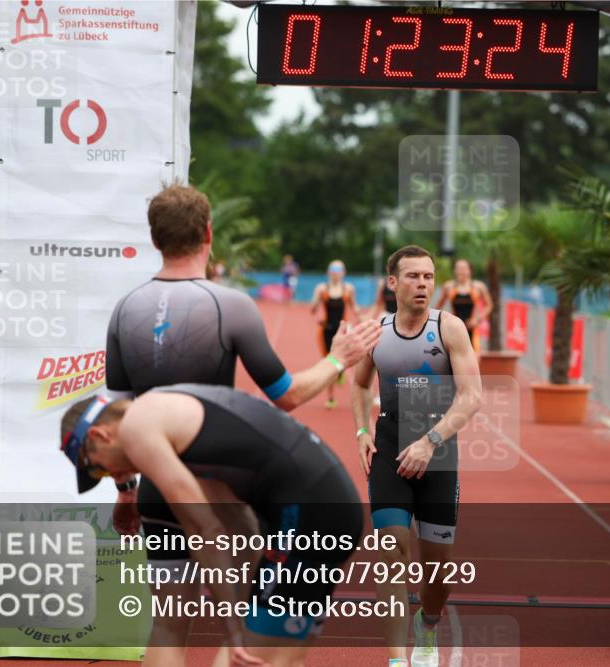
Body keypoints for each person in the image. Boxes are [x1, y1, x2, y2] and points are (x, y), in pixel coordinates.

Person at [104, 184, 380, 666]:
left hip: (158, 486)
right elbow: (287, 395)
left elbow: (121, 414)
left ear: (154, 240)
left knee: (168, 624)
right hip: (219, 487)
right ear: (209, 233)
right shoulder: (230, 306)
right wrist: (338, 360)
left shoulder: (125, 309)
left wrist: (126, 492)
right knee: (259, 628)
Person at [59, 384, 364, 667]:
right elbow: (240, 526)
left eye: (97, 470)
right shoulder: (175, 417)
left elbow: (206, 532)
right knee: (283, 657)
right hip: (325, 505)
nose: (114, 475)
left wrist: (234, 631)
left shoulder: (136, 428)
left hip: (309, 516)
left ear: (100, 436)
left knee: (253, 656)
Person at [351, 245, 482, 667]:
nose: (422, 284)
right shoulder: (377, 331)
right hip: (389, 445)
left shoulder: (450, 328)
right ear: (393, 283)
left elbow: (472, 396)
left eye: (428, 276)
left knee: (436, 575)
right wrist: (359, 430)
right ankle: (396, 659)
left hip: (437, 452)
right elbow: (357, 384)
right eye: (413, 276)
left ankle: (429, 621)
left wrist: (430, 441)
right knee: (390, 548)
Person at [310, 260, 358, 409]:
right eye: (333, 270)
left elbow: (354, 306)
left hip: (342, 331)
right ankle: (331, 398)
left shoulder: (348, 289)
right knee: (329, 362)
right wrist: (316, 300)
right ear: (328, 272)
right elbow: (312, 309)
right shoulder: (322, 288)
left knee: (338, 361)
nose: (336, 273)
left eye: (339, 270)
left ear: (343, 273)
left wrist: (363, 318)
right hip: (326, 330)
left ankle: (340, 371)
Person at [434, 259, 492, 352]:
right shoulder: (449, 286)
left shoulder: (478, 287)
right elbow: (438, 306)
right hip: (454, 328)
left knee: (475, 358)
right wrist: (440, 321)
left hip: (472, 328)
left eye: (464, 268)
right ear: (455, 271)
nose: (461, 271)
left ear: (470, 271)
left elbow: (489, 305)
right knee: (453, 356)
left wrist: (477, 319)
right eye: (458, 268)